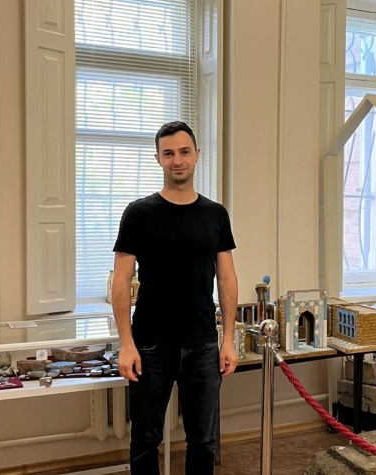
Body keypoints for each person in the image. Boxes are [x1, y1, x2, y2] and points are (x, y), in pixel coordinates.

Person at [111, 121, 239, 474]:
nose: (177, 160)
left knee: (203, 441)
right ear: (158, 159)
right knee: (145, 441)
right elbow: (121, 281)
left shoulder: (215, 214)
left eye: (184, 152)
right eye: (168, 153)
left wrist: (228, 339)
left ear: (197, 155)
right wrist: (126, 344)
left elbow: (227, 277)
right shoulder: (138, 213)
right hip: (150, 345)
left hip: (202, 344)